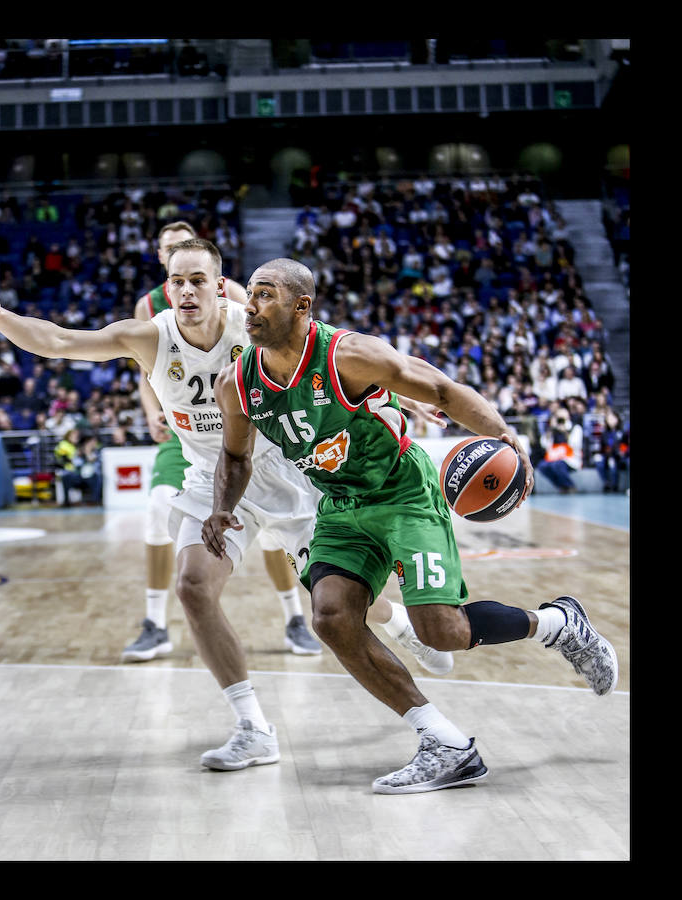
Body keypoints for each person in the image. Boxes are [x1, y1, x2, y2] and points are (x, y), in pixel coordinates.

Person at [0, 241, 446, 776]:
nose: (186, 290)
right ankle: (253, 726)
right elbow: (62, 341)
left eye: (197, 280)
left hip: (290, 474)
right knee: (193, 585)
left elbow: (341, 355)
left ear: (219, 285)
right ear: (168, 288)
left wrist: (406, 393)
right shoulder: (150, 337)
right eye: (177, 281)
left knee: (340, 604)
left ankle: (397, 623)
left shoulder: (254, 326)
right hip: (217, 480)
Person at [201, 257, 619, 794]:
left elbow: (441, 390)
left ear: (301, 306)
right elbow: (236, 458)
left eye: (264, 296)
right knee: (330, 618)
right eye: (249, 296)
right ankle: (444, 743)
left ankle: (559, 625)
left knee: (441, 631)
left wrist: (505, 435)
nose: (249, 307)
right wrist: (220, 508)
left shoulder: (349, 354)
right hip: (339, 505)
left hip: (402, 494)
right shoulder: (237, 382)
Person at [125, 221, 322, 661]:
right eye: (172, 253)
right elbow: (143, 370)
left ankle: (293, 616)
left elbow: (264, 341)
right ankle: (156, 623)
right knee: (158, 511)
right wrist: (150, 412)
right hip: (185, 430)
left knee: (274, 532)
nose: (187, 280)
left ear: (212, 273)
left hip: (245, 425)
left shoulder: (232, 295)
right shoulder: (149, 307)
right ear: (163, 260)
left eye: (192, 260)